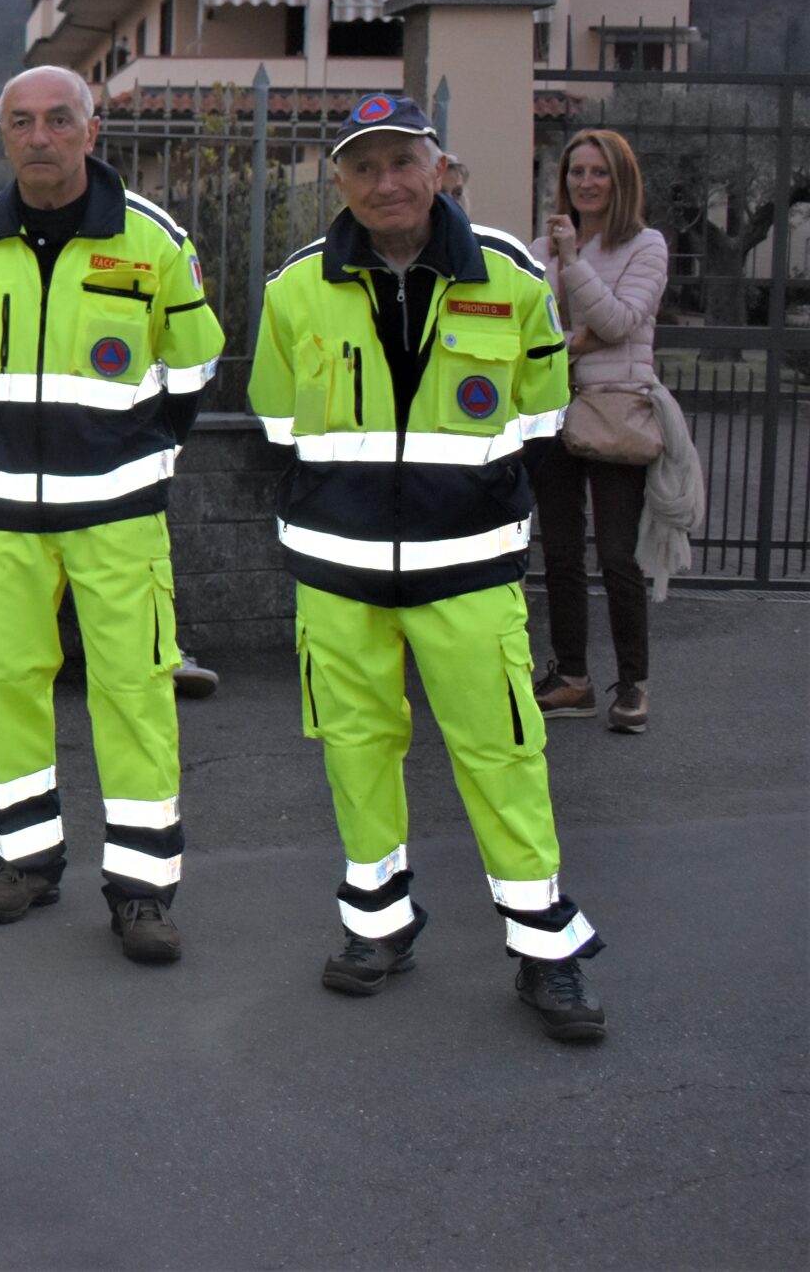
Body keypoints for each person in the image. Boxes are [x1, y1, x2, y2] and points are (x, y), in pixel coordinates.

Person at [249, 93, 605, 1043]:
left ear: (438, 168)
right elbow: (277, 424)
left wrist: (466, 501)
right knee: (356, 752)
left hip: (469, 574)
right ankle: (378, 926)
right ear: (340, 182)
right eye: (364, 167)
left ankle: (545, 950)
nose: (386, 182)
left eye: (403, 160)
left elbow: (540, 417)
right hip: (339, 576)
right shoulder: (295, 288)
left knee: (503, 755)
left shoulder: (512, 276)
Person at [0, 65, 224, 964]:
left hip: (118, 515)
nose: (41, 137)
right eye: (22, 122)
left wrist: (137, 457)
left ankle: (142, 888)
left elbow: (193, 369)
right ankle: (25, 859)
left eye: (60, 119)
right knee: (4, 683)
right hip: (1, 516)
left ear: (92, 131)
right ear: (3, 134)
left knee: (133, 693)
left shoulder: (154, 239)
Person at [530, 129, 667, 735]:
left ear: (621, 179)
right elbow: (535, 330)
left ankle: (633, 684)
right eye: (577, 171)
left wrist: (574, 261)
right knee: (560, 552)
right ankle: (573, 678)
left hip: (616, 409)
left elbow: (617, 320)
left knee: (616, 554)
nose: (586, 182)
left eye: (599, 171)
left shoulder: (646, 246)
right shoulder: (541, 248)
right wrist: (576, 342)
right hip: (556, 408)